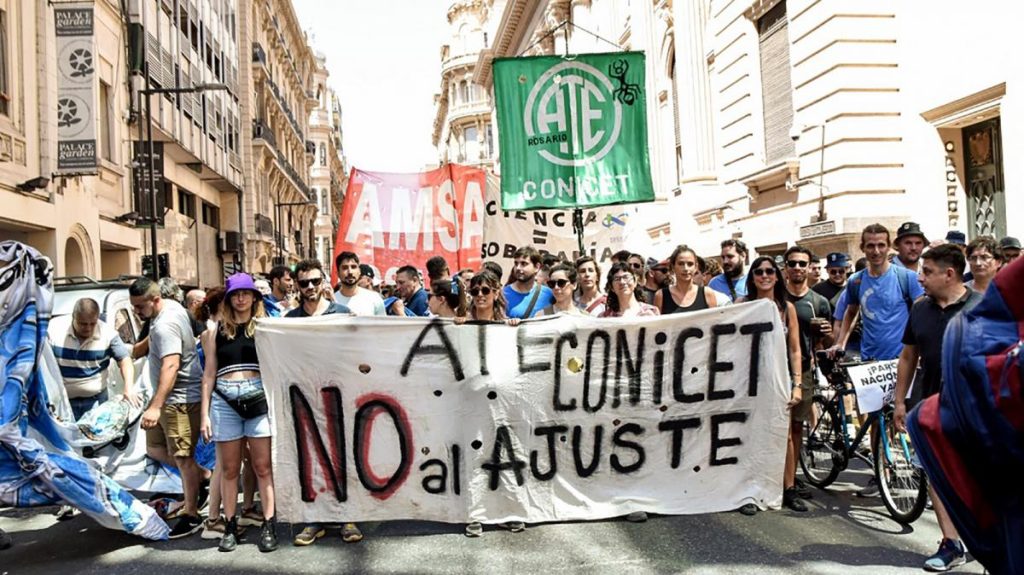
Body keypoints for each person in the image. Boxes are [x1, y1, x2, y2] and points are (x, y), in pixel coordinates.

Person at [893, 244, 981, 571]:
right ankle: (951, 543)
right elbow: (908, 356)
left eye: (927, 272)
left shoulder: (981, 308)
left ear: (950, 273)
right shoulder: (919, 309)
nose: (921, 278)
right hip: (928, 406)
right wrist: (900, 401)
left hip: (973, 409)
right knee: (937, 474)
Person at [829, 224, 924, 497]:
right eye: (870, 245)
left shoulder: (905, 278)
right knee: (875, 420)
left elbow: (920, 314)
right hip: (870, 361)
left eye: (881, 245)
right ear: (863, 247)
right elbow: (850, 312)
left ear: (889, 246)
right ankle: (880, 473)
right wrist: (840, 343)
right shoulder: (856, 280)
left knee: (910, 416)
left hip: (903, 360)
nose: (876, 250)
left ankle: (920, 473)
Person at [198, 274, 277, 552]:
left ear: (255, 297)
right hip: (224, 400)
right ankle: (230, 525)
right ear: (229, 298)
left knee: (263, 467)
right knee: (230, 469)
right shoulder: (213, 333)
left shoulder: (267, 328)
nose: (241, 298)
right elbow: (208, 374)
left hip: (258, 398)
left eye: (246, 293)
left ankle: (269, 523)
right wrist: (204, 415)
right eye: (235, 294)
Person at [129, 277, 205, 539]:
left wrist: (156, 407)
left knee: (183, 459)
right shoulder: (171, 307)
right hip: (167, 400)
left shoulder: (165, 325)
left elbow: (171, 365)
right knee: (155, 449)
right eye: (134, 307)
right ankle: (202, 477)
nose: (137, 312)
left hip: (178, 400)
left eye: (140, 307)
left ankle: (192, 513)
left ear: (155, 299)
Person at [741, 256, 802, 514]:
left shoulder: (787, 309)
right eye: (758, 271)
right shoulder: (741, 306)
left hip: (779, 379)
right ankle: (748, 490)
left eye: (769, 271)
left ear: (777, 276)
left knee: (784, 435)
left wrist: (797, 384)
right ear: (752, 277)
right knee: (749, 434)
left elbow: (795, 350)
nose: (764, 275)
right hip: (747, 381)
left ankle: (788, 488)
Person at [783, 246, 834, 509]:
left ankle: (790, 478)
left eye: (802, 263)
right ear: (786, 267)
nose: (798, 268)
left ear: (809, 266)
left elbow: (828, 341)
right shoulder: (777, 298)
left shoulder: (819, 302)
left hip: (803, 369)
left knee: (796, 427)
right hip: (774, 370)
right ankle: (783, 480)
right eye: (792, 263)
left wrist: (825, 333)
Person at [51, 297, 138, 421]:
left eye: (92, 323)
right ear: (73, 317)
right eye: (83, 324)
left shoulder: (108, 333)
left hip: (96, 402)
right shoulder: (54, 329)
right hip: (63, 404)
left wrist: (128, 388)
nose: (88, 328)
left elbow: (125, 360)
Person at [654, 245, 718, 314]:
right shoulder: (661, 296)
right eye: (681, 264)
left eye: (690, 264)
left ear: (696, 267)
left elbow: (714, 322)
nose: (686, 268)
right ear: (673, 267)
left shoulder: (707, 293)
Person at [286, 259, 352, 318]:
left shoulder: (343, 313)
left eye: (315, 281)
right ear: (297, 285)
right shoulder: (291, 318)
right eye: (304, 283)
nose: (310, 286)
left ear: (322, 282)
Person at [503, 247, 555, 319]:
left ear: (537, 267)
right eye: (516, 263)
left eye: (524, 263)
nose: (518, 268)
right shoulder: (503, 294)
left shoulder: (549, 294)